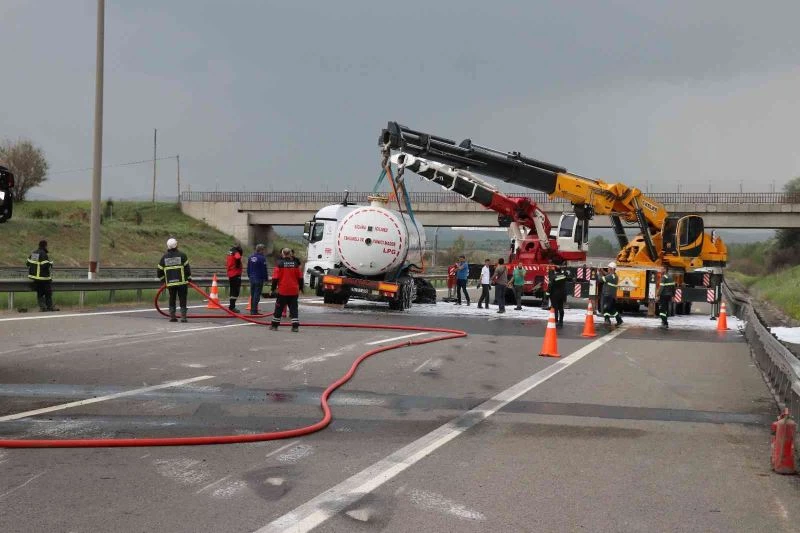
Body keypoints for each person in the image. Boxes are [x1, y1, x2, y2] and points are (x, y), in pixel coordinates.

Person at [157, 238, 191, 322]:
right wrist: (189, 279)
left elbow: (159, 272)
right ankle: (183, 317)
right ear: (176, 245)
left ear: (168, 246)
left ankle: (172, 316)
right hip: (182, 283)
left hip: (170, 284)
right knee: (183, 298)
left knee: (172, 298)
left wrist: (164, 281)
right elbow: (187, 270)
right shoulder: (182, 255)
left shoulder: (164, 257)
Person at [270, 247, 304, 332]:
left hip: (283, 290)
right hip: (293, 290)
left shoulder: (279, 264)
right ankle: (295, 326)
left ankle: (274, 326)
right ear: (290, 254)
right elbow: (300, 278)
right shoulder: (296, 264)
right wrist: (301, 288)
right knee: (293, 308)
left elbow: (275, 278)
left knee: (279, 308)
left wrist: (273, 289)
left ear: (283, 254)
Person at [26, 239, 59, 312]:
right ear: (45, 246)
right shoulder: (43, 254)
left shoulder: (34, 253)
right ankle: (50, 307)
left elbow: (28, 263)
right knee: (48, 293)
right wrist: (50, 263)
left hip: (36, 278)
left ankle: (42, 307)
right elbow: (44, 265)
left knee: (40, 293)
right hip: (44, 278)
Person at [247, 244, 269, 315]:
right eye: (264, 250)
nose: (264, 251)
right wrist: (266, 278)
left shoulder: (250, 257)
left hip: (252, 278)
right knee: (257, 295)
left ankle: (252, 310)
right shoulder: (262, 258)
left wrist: (249, 276)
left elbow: (248, 268)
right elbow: (264, 270)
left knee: (253, 294)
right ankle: (254, 311)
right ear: (261, 250)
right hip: (259, 278)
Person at [600, 261, 623, 327]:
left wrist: (598, 273)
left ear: (612, 269)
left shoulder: (610, 277)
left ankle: (607, 320)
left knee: (606, 308)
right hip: (612, 296)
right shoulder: (614, 276)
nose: (607, 269)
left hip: (607, 295)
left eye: (609, 268)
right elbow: (607, 275)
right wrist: (602, 271)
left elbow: (600, 279)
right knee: (612, 309)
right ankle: (619, 320)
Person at [226, 243, 244, 312]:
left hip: (230, 273)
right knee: (236, 291)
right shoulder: (236, 252)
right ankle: (232, 307)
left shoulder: (230, 252)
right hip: (236, 274)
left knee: (232, 290)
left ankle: (231, 306)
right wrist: (238, 265)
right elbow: (238, 257)